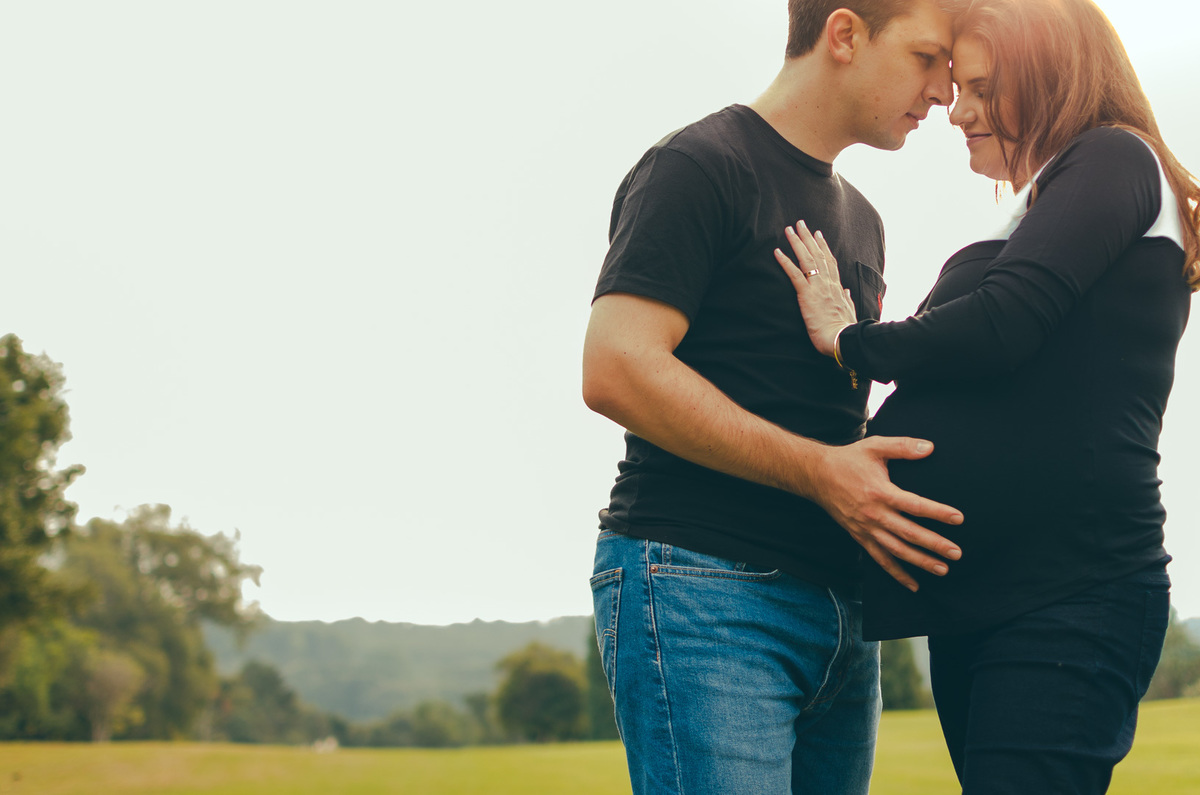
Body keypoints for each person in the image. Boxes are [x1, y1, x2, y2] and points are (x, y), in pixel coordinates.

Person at [774, 0, 1200, 791]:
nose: (955, 110)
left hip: (1070, 594)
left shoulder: (1115, 158)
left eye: (979, 88)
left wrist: (848, 339)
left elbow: (1000, 327)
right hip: (986, 602)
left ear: (1051, 79)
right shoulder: (1041, 208)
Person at [582, 1, 971, 792]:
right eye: (928, 58)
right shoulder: (698, 164)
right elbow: (615, 367)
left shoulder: (863, 221)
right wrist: (823, 471)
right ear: (844, 34)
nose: (945, 93)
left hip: (842, 614)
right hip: (703, 590)